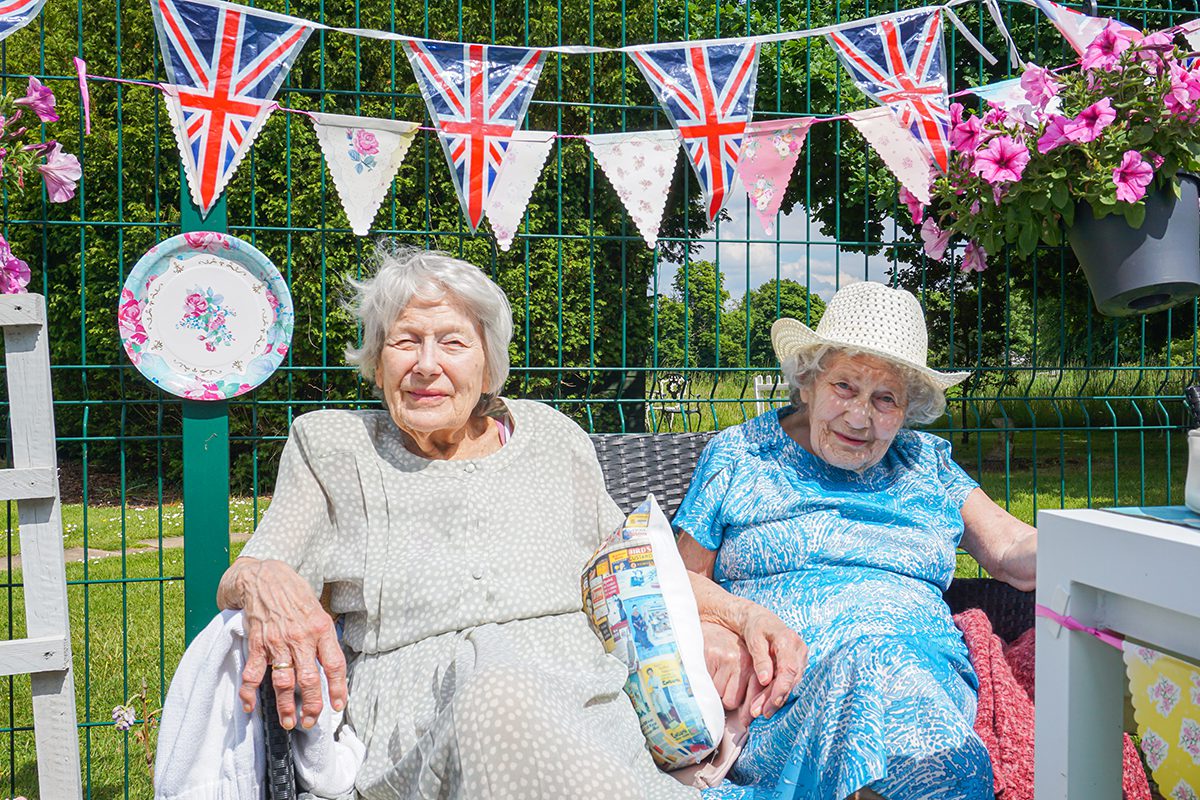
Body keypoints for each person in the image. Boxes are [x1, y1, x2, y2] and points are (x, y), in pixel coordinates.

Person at [216, 245, 699, 800]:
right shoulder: (332, 448)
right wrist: (263, 579)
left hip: (580, 706)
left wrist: (737, 615)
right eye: (404, 341)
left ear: (489, 365)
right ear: (377, 363)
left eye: (452, 342)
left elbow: (631, 564)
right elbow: (244, 573)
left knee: (516, 706)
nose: (426, 364)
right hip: (419, 727)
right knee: (498, 698)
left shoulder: (551, 436)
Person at [675, 282, 1037, 800]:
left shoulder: (926, 464)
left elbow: (1010, 551)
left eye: (885, 398)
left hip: (918, 675)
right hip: (788, 691)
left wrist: (1100, 550)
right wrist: (735, 618)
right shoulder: (741, 454)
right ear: (808, 382)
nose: (860, 416)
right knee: (874, 675)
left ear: (908, 408)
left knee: (888, 676)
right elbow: (680, 577)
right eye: (845, 386)